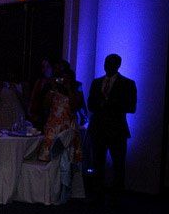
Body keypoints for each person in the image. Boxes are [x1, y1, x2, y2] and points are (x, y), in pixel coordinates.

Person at [87, 53, 136, 198]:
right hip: (99, 129)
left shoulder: (128, 83)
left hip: (116, 130)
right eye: (106, 63)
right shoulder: (96, 83)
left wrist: (108, 104)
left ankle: (116, 197)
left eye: (110, 63)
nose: (107, 66)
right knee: (97, 164)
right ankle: (97, 194)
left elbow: (131, 107)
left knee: (118, 165)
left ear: (117, 65)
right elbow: (90, 104)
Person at [38, 61, 83, 162]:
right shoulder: (52, 86)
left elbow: (75, 106)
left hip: (68, 127)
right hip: (53, 126)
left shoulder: (76, 87)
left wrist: (69, 88)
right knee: (50, 156)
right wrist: (53, 88)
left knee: (68, 157)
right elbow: (45, 105)